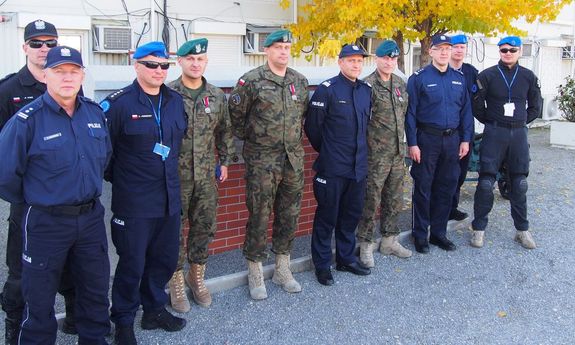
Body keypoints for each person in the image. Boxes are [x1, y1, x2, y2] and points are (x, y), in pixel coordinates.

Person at [0, 46, 111, 345]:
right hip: (46, 223)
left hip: (90, 220)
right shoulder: (27, 120)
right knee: (37, 301)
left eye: (73, 71)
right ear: (46, 75)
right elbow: (6, 174)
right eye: (59, 71)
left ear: (82, 75)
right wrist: (42, 198)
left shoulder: (94, 114)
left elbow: (104, 158)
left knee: (95, 293)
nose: (67, 78)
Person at [101, 41, 187, 344]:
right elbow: (104, 156)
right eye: (152, 64)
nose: (159, 70)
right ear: (136, 65)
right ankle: (123, 320)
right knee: (132, 264)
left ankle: (153, 310)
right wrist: (129, 180)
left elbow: (177, 146)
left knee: (163, 260)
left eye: (164, 65)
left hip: (168, 198)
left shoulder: (175, 101)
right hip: (135, 202)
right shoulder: (118, 104)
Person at [0, 19, 77, 343]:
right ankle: (15, 328)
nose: (44, 49)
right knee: (22, 273)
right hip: (30, 206)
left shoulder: (69, 84)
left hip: (69, 201)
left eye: (50, 42)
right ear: (25, 47)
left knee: (72, 266)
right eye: (37, 43)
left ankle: (75, 318)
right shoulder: (8, 90)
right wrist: (27, 196)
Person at [228, 29, 309, 300]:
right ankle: (255, 270)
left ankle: (282, 268)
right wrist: (259, 142)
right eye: (278, 47)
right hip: (262, 161)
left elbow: (302, 118)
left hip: (292, 160)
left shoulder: (300, 81)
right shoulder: (250, 82)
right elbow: (236, 122)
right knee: (259, 215)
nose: (284, 52)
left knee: (289, 214)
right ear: (267, 51)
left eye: (287, 47)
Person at [166, 38, 234, 312]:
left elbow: (225, 131)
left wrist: (226, 161)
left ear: (205, 62)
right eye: (190, 59)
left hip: (206, 176)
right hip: (175, 176)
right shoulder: (167, 93)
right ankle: (176, 281)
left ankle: (197, 278)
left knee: (203, 227)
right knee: (173, 230)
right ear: (180, 62)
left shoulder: (216, 96)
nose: (196, 63)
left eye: (200, 59)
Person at [305, 44, 372, 286]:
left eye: (359, 61)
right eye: (351, 60)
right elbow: (313, 128)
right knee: (327, 217)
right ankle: (322, 265)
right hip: (333, 168)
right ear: (340, 62)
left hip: (358, 168)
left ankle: (346, 258)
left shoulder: (366, 90)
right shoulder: (327, 90)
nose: (356, 65)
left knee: (350, 216)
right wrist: (330, 151)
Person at [470, 36, 542, 249]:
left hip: (518, 134)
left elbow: (536, 106)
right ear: (499, 51)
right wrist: (493, 122)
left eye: (512, 50)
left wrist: (519, 122)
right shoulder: (487, 75)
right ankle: (479, 229)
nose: (508, 53)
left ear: (519, 51)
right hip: (494, 133)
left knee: (519, 184)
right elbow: (476, 105)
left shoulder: (528, 77)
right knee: (485, 184)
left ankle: (522, 230)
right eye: (504, 50)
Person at [405, 34, 473, 254]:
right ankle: (420, 234)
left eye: (447, 48)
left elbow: (466, 112)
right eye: (440, 48)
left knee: (446, 187)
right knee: (423, 187)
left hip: (452, 140)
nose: (444, 52)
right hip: (427, 139)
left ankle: (438, 233)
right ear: (431, 51)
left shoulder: (459, 79)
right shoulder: (419, 78)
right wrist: (413, 143)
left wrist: (465, 139)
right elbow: (411, 114)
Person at [357, 40, 412, 268]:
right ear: (377, 59)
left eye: (393, 59)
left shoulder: (400, 84)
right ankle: (366, 245)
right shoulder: (367, 86)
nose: (390, 62)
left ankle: (389, 240)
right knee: (371, 200)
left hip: (397, 154)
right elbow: (360, 122)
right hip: (375, 157)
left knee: (394, 198)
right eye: (386, 58)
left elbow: (404, 115)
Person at [448, 34, 479, 221]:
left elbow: (478, 101)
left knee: (459, 173)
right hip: (445, 130)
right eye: (456, 47)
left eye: (462, 47)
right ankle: (437, 208)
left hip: (465, 130)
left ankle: (453, 207)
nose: (459, 50)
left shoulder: (472, 73)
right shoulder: (442, 70)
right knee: (444, 173)